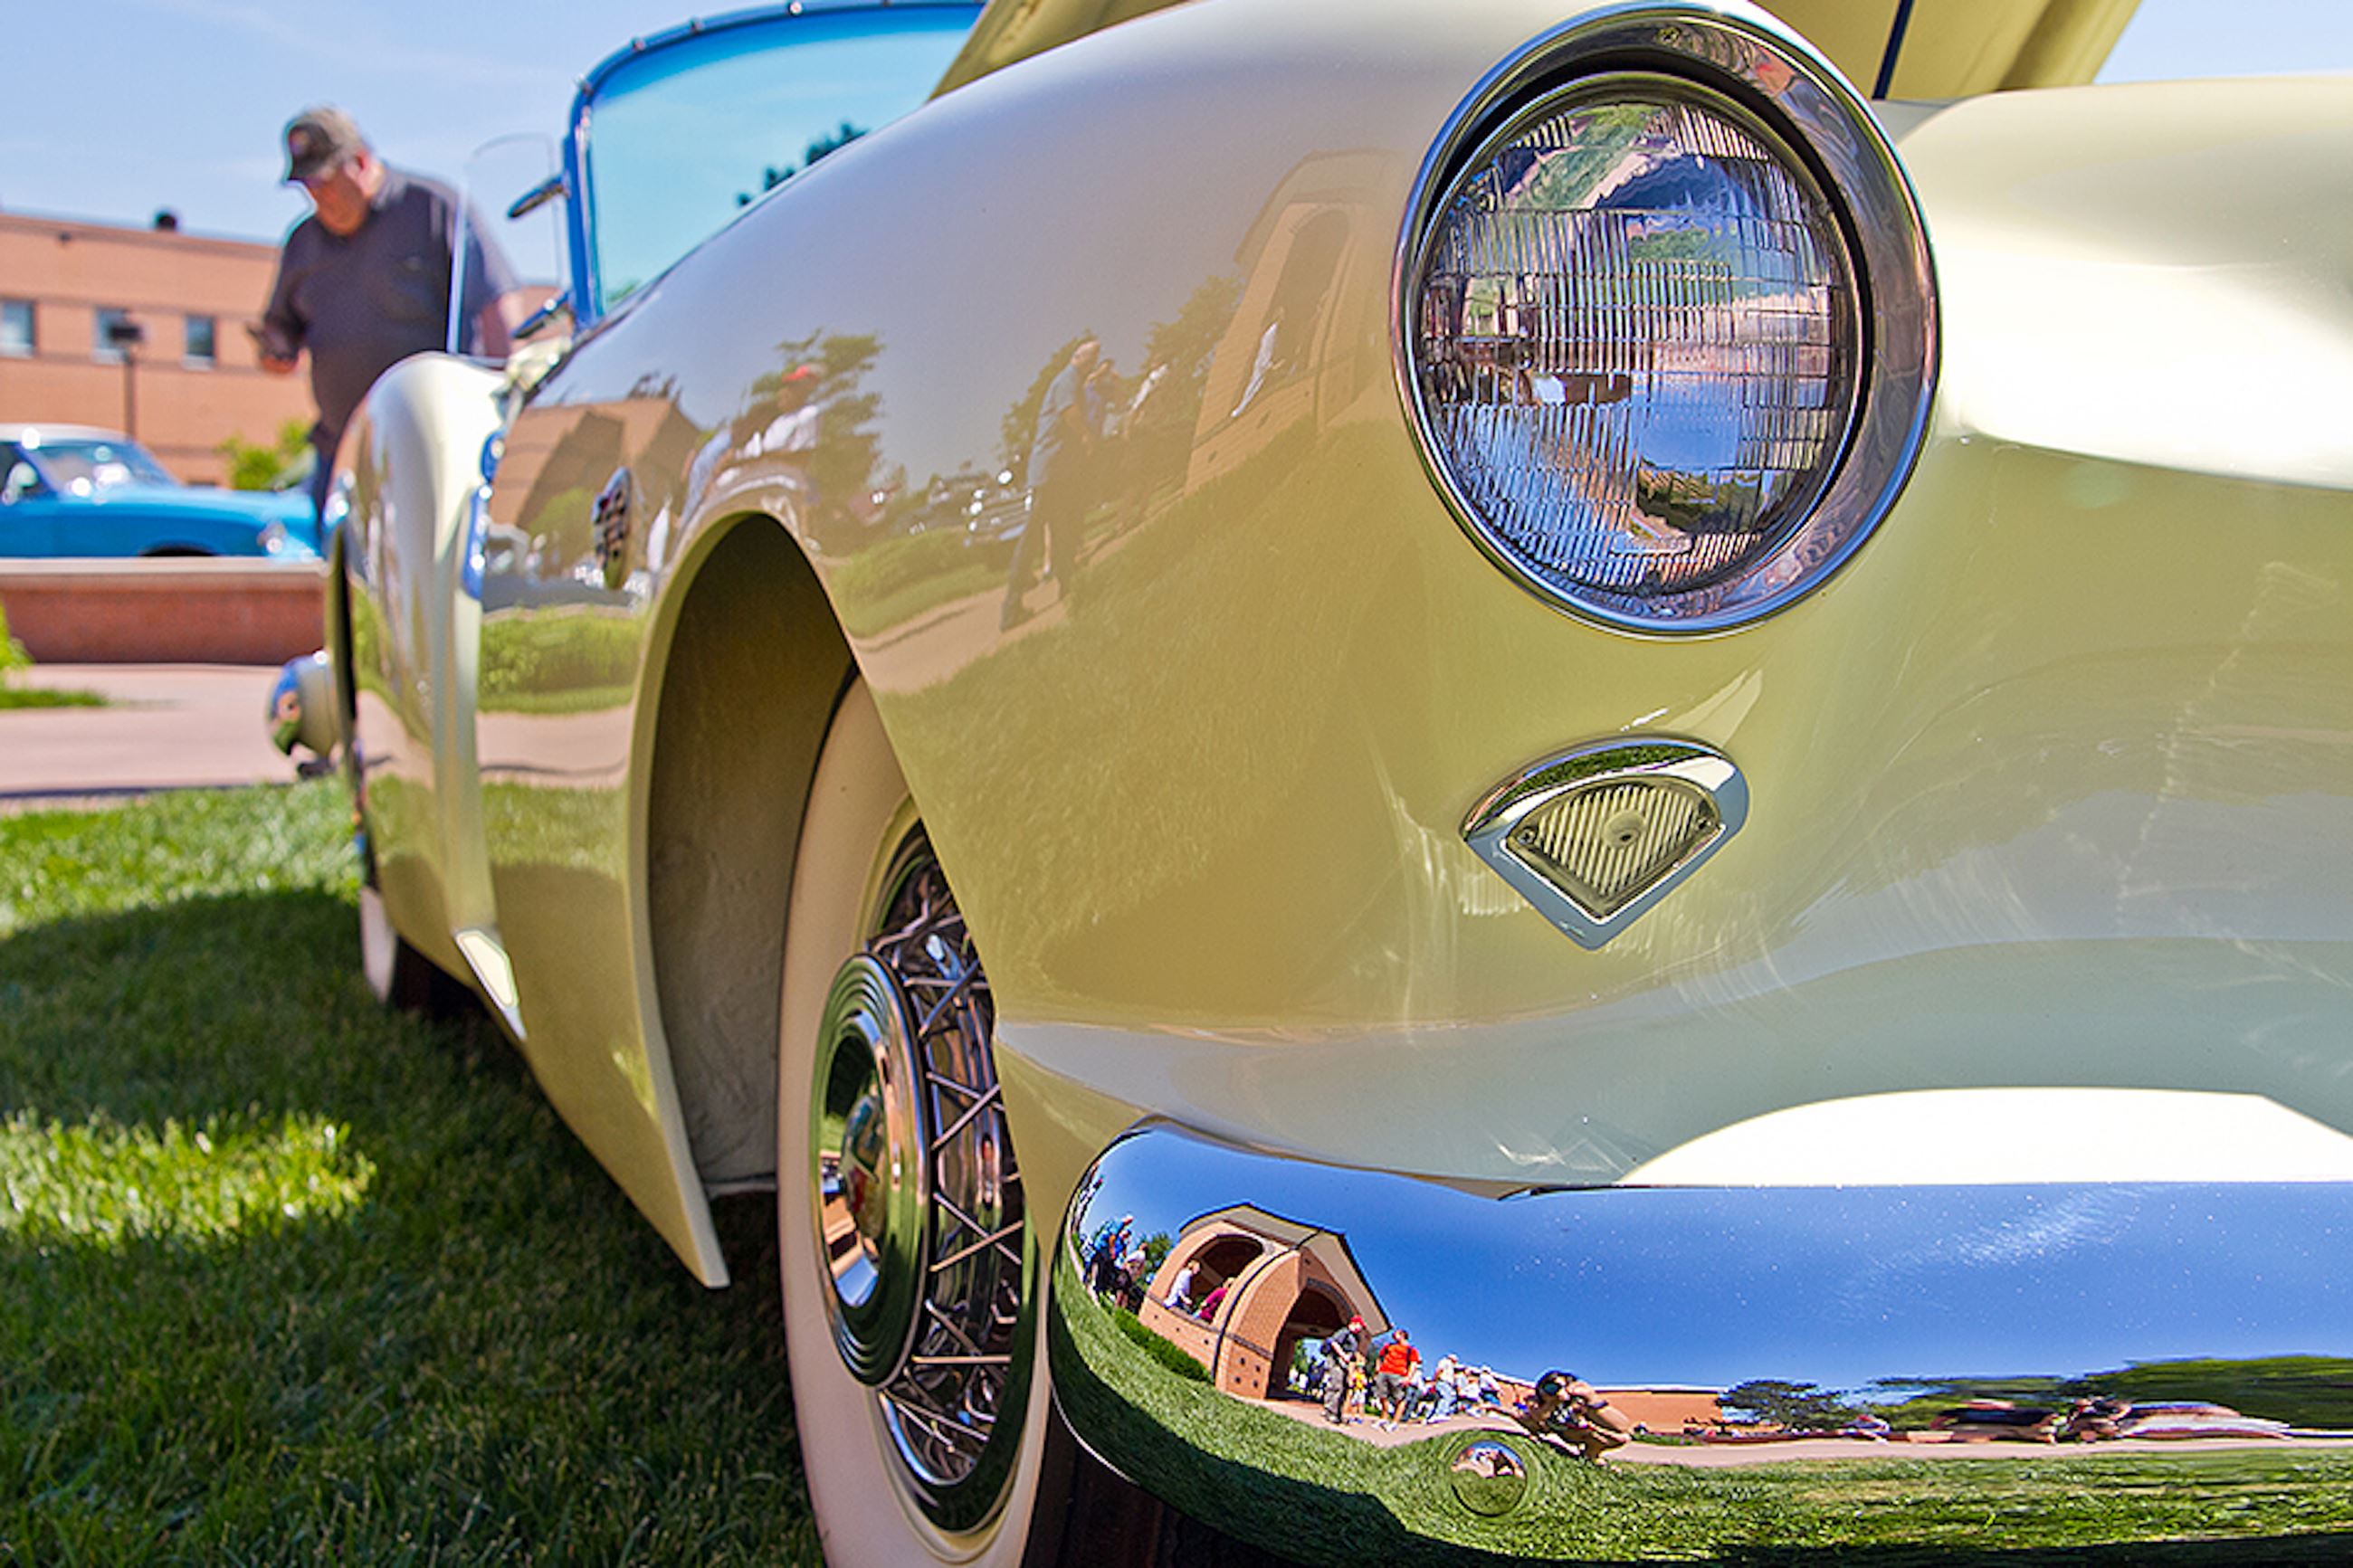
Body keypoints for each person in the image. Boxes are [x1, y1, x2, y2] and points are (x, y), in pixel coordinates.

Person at [256, 107, 528, 522]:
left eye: (327, 181)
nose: (319, 196)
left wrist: (505, 411)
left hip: (430, 447)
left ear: (361, 162)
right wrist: (274, 351)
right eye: (308, 185)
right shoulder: (303, 243)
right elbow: (280, 329)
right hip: (342, 454)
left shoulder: (431, 207)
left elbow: (497, 305)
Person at [1000, 337, 1103, 629]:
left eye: (1097, 356)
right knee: (1033, 536)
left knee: (1062, 530)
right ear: (1077, 356)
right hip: (1048, 473)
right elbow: (1070, 413)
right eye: (1091, 355)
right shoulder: (1067, 381)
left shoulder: (1075, 381)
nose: (1094, 360)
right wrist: (1086, 436)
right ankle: (1010, 608)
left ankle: (1070, 588)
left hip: (1058, 472)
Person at [1319, 1316, 1366, 1426]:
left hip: (1345, 1365)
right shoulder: (1344, 1332)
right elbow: (1334, 1343)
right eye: (1360, 1326)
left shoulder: (1354, 1337)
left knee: (1343, 1389)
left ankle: (1338, 1413)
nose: (1360, 1329)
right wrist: (1343, 1355)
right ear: (1354, 1323)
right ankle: (1330, 1412)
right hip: (1336, 1362)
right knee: (1336, 1386)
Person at [1373, 1327, 1422, 1429]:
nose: (1394, 1335)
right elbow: (1380, 1356)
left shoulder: (1411, 1350)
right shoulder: (1389, 1346)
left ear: (1403, 1335)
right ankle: (1384, 1418)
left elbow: (1413, 1364)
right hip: (1384, 1372)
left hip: (1399, 1374)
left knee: (1399, 1399)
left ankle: (1395, 1422)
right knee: (1382, 1396)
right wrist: (1378, 1368)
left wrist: (1408, 1377)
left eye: (1397, 1334)